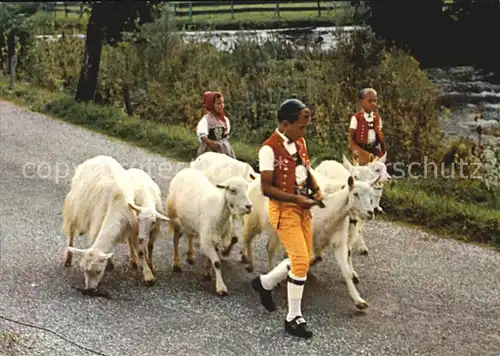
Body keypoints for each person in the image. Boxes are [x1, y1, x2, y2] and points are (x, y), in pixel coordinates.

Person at [251, 98, 323, 339]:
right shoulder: (268, 149)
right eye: (301, 126)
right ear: (285, 124)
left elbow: (305, 168)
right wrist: (295, 199)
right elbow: (266, 188)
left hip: (302, 207)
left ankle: (265, 283)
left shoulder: (299, 141)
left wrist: (315, 188)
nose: (304, 131)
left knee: (304, 257)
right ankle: (293, 316)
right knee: (301, 260)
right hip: (284, 210)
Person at [348, 88, 387, 165]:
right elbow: (351, 138)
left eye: (374, 101)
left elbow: (380, 137)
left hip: (375, 149)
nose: (372, 103)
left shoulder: (377, 118)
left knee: (379, 171)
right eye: (369, 101)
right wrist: (355, 150)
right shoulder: (356, 118)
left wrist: (383, 151)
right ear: (361, 102)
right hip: (361, 149)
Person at [195, 91, 236, 158]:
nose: (222, 105)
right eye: (219, 103)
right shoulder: (206, 119)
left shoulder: (224, 119)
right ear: (211, 105)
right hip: (210, 148)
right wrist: (210, 142)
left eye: (223, 102)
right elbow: (202, 135)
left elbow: (225, 134)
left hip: (222, 148)